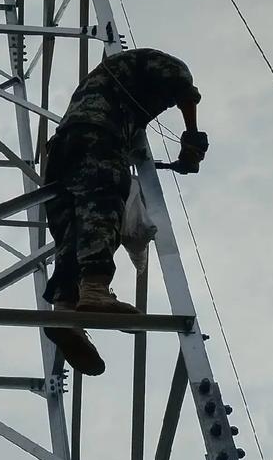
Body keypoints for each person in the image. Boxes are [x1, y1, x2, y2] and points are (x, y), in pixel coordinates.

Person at [42, 47, 208, 375]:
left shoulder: (114, 92)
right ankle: (95, 289)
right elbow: (186, 91)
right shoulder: (165, 67)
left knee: (74, 228)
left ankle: (65, 312)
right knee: (104, 201)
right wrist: (191, 137)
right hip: (96, 135)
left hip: (60, 151)